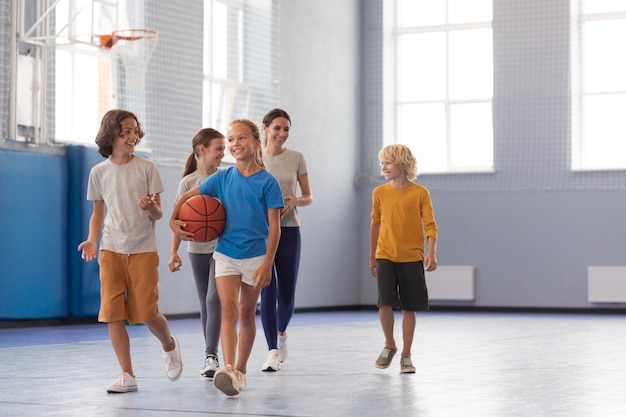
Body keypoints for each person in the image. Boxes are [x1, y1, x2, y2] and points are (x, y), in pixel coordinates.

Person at [170, 119, 283, 396]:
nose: (235, 144)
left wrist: (268, 263)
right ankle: (228, 368)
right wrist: (173, 221)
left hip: (256, 257)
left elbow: (275, 228)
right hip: (226, 255)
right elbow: (187, 197)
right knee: (228, 309)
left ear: (257, 143)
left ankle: (240, 370)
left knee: (246, 313)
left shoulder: (268, 182)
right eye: (231, 139)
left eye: (241, 138)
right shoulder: (221, 178)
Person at [77, 109, 183, 393]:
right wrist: (91, 239)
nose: (132, 136)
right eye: (126, 131)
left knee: (147, 313)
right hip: (110, 249)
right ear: (111, 134)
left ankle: (169, 344)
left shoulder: (147, 167)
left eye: (135, 130)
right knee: (112, 313)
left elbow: (159, 214)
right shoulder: (98, 172)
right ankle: (127, 374)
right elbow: (98, 214)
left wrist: (152, 208)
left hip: (143, 250)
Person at [369, 144, 438, 374]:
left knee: (409, 307)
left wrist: (431, 251)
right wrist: (372, 257)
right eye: (382, 163)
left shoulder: (420, 193)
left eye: (388, 162)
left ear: (402, 164)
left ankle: (407, 355)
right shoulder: (379, 193)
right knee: (384, 303)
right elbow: (375, 224)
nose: (383, 167)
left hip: (411, 257)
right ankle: (390, 344)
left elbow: (430, 224)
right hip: (385, 255)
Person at [168, 128, 225, 378]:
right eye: (219, 149)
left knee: (214, 298)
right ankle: (209, 353)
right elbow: (178, 222)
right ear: (202, 150)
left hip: (222, 249)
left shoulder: (225, 179)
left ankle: (211, 355)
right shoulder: (188, 182)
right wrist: (173, 253)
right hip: (196, 248)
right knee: (205, 302)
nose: (223, 153)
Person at [259, 109, 313, 371]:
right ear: (265, 128)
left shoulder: (296, 158)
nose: (282, 133)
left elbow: (309, 196)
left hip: (289, 230)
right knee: (267, 291)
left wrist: (294, 201)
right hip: (262, 232)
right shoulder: (255, 158)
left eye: (286, 129)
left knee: (287, 296)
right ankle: (271, 351)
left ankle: (281, 334)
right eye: (277, 128)